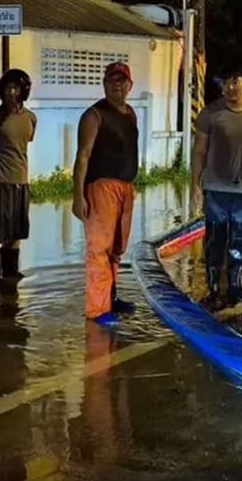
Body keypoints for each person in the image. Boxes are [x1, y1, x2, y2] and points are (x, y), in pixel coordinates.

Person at [190, 64, 242, 308]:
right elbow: (199, 151)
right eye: (225, 83)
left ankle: (235, 285)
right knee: (215, 240)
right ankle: (213, 288)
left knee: (238, 239)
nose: (230, 88)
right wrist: (195, 186)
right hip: (216, 188)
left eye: (235, 81)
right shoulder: (210, 114)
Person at [72, 62, 139, 327]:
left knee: (116, 248)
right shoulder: (94, 115)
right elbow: (83, 156)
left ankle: (110, 298)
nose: (117, 85)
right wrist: (78, 196)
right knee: (99, 249)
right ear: (104, 83)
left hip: (125, 187)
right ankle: (97, 309)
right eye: (112, 80)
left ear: (130, 85)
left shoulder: (131, 113)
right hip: (101, 187)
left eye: (122, 80)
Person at [0, 69, 36, 291]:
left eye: (16, 88)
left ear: (24, 91)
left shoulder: (30, 117)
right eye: (7, 88)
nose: (11, 93)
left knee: (17, 230)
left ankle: (11, 271)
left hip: (21, 180)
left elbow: (22, 146)